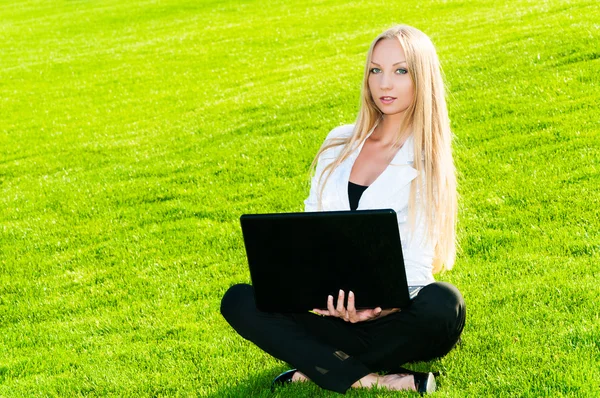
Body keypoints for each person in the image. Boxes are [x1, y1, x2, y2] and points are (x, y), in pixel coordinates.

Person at [220, 24, 466, 394]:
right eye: (375, 70)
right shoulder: (338, 142)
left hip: (392, 320)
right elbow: (309, 233)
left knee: (445, 304)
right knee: (239, 300)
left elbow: (416, 266)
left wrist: (377, 310)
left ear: (422, 79)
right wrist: (315, 297)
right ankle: (372, 379)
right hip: (329, 314)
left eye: (401, 71)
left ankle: (318, 363)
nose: (385, 84)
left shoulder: (428, 160)